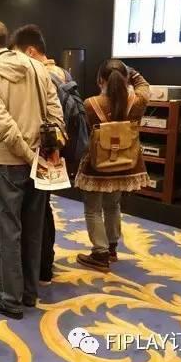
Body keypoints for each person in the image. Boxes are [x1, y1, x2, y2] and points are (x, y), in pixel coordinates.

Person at [0, 19, 64, 320]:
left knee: (8, 231)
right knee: (33, 228)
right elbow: (56, 112)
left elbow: (2, 123)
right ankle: (28, 292)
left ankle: (10, 299)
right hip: (40, 159)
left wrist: (26, 154)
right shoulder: (38, 66)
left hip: (9, 161)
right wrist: (43, 153)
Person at [9, 24, 71, 285]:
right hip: (51, 150)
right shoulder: (62, 73)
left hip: (39, 152)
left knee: (37, 217)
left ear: (31, 51)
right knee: (42, 211)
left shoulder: (43, 75)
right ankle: (43, 267)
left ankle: (41, 269)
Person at [74, 60, 150, 272]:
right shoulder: (138, 101)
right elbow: (144, 85)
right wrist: (131, 72)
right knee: (113, 205)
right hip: (125, 164)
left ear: (100, 80)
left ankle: (100, 253)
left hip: (96, 166)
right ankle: (112, 248)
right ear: (125, 79)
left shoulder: (91, 104)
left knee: (92, 209)